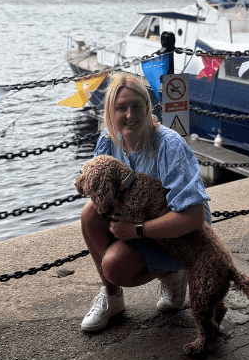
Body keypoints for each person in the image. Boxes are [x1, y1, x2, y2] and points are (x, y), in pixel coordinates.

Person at [79, 71, 211, 332]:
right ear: (110, 112)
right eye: (121, 108)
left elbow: (194, 216)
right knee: (89, 214)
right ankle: (111, 297)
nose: (130, 115)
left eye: (136, 106)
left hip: (180, 234)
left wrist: (135, 231)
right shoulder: (108, 140)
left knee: (114, 266)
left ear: (147, 107)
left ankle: (173, 272)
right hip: (135, 217)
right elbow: (100, 191)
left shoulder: (168, 145)